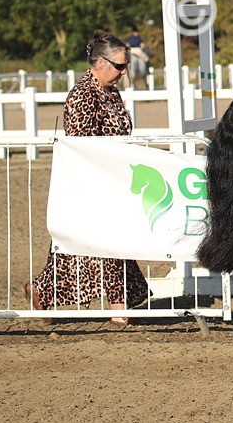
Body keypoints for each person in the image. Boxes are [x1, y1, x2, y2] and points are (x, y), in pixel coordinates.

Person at [24, 30, 149, 325]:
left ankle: (43, 291)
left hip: (112, 181)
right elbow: (81, 144)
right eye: (119, 66)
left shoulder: (111, 92)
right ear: (100, 63)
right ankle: (117, 310)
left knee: (98, 247)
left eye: (125, 66)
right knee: (98, 246)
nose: (123, 72)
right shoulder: (82, 95)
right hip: (91, 182)